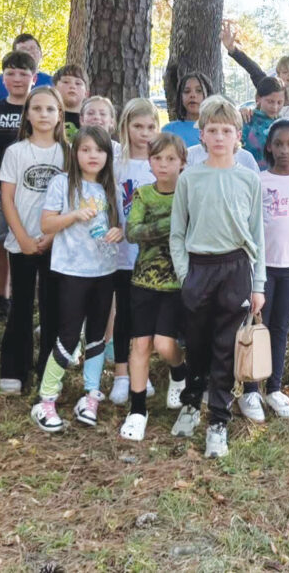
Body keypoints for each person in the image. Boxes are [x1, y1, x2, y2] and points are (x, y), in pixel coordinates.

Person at [169, 96, 266, 458]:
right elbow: (177, 232)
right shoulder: (190, 178)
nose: (220, 137)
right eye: (213, 130)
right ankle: (192, 403)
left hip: (236, 269)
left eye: (227, 130)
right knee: (196, 342)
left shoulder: (248, 178)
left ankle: (219, 420)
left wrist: (259, 285)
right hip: (199, 268)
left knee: (226, 347)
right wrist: (184, 274)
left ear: (238, 135)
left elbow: (257, 236)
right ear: (202, 135)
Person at [30, 126, 124, 432]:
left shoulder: (112, 187)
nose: (92, 156)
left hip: (104, 271)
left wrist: (118, 232)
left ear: (108, 156)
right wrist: (73, 215)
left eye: (99, 150)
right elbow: (47, 223)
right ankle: (46, 399)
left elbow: (119, 227)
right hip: (71, 271)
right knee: (68, 335)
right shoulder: (63, 183)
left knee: (97, 335)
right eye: (85, 150)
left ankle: (90, 395)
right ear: (75, 153)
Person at [238, 119, 289, 422]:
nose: (284, 150)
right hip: (262, 269)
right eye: (278, 144)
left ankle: (274, 387)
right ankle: (250, 390)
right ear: (269, 147)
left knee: (281, 327)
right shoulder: (259, 179)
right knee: (258, 327)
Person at [0, 87, 69, 394]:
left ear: (59, 115)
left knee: (53, 308)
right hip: (22, 241)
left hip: (57, 242)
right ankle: (14, 368)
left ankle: (47, 372)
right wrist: (23, 237)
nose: (43, 114)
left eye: (50, 109)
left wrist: (52, 235)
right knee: (21, 306)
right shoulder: (16, 152)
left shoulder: (68, 152)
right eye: (37, 108)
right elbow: (7, 199)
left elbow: (73, 198)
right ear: (27, 113)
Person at [120, 134, 189, 441]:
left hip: (177, 282)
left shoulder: (188, 196)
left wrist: (166, 227)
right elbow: (132, 232)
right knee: (140, 345)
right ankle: (137, 410)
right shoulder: (143, 195)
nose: (164, 165)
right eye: (158, 159)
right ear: (149, 163)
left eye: (171, 159)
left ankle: (180, 370)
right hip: (143, 280)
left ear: (183, 164)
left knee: (164, 344)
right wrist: (170, 225)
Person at [108, 99, 162, 405]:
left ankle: (142, 372)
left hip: (152, 255)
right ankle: (120, 373)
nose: (144, 133)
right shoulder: (117, 164)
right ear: (126, 126)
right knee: (124, 315)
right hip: (122, 254)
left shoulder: (162, 163)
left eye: (150, 127)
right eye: (138, 126)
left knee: (146, 316)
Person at [0, 51, 37, 320]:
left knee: (26, 240)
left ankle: (21, 293)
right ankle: (1, 296)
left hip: (30, 189)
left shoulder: (38, 107)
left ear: (34, 78)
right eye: (10, 73)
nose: (17, 79)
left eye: (23, 73)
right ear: (2, 79)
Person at [0, 33, 53, 101]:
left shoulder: (53, 82)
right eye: (23, 49)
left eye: (33, 48)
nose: (29, 52)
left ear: (41, 53)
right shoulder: (4, 80)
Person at [241, 77, 285, 169]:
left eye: (279, 102)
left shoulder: (284, 124)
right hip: (249, 173)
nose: (275, 107)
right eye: (270, 102)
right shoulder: (247, 119)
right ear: (258, 98)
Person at [162, 72, 213, 147]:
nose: (192, 95)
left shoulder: (217, 130)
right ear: (180, 97)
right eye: (187, 91)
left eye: (199, 91)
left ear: (208, 94)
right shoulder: (169, 130)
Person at [53, 64, 89, 136]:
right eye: (66, 82)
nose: (72, 86)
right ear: (54, 89)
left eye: (78, 83)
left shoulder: (90, 122)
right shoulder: (46, 118)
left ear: (86, 93)